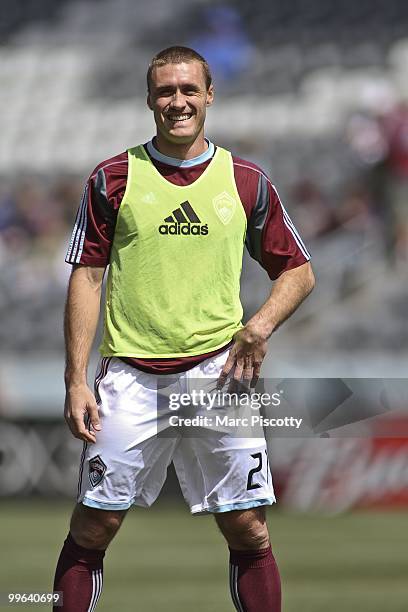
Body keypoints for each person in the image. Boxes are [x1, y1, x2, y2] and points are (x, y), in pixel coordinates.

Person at [53, 46, 315, 612]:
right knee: (94, 525)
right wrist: (76, 380)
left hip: (220, 376)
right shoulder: (113, 177)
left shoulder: (245, 180)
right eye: (166, 92)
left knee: (248, 529)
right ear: (150, 100)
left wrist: (260, 325)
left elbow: (299, 270)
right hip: (129, 378)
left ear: (209, 94)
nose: (178, 102)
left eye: (189, 90)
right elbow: (88, 278)